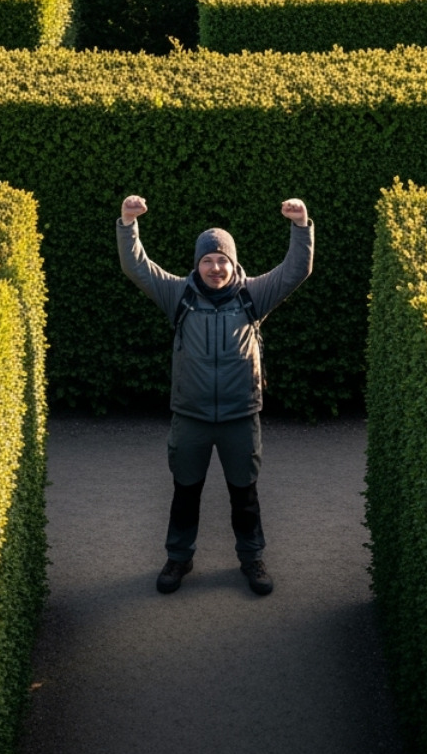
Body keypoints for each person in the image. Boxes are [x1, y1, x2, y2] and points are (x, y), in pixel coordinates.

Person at [116, 194, 314, 596]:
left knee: (244, 494)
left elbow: (296, 271)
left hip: (241, 415)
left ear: (233, 262)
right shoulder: (179, 294)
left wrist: (300, 227)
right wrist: (127, 223)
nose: (215, 267)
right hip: (191, 415)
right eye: (207, 260)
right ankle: (178, 557)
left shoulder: (253, 295)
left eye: (222, 259)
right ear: (197, 264)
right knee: (185, 491)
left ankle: (252, 557)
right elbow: (137, 268)